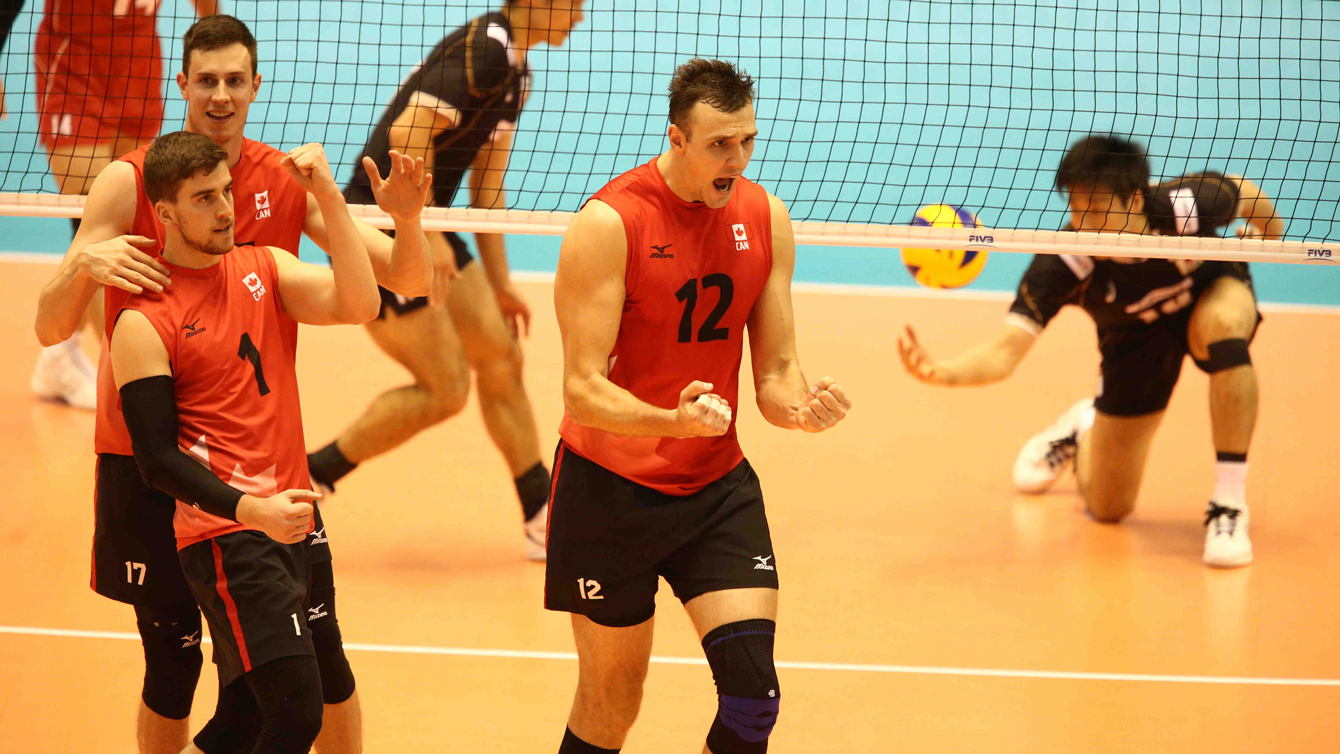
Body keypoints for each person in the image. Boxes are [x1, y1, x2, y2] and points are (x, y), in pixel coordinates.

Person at [32, 15, 431, 754]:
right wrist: (81, 268)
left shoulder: (281, 181)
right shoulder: (130, 181)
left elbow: (402, 277)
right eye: (205, 80)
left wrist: (405, 220)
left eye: (234, 80)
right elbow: (52, 327)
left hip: (255, 453)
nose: (220, 95)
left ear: (255, 86)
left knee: (311, 670)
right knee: (175, 668)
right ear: (180, 85)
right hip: (147, 460)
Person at [547, 58, 851, 754]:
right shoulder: (609, 223)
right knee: (610, 704)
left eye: (747, 140)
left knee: (753, 700)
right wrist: (668, 423)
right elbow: (581, 390)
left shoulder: (763, 216)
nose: (736, 160)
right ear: (677, 139)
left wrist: (799, 408)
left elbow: (775, 371)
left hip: (714, 488)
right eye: (720, 144)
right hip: (608, 492)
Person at [109, 130, 395, 754]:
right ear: (164, 213)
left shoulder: (264, 265)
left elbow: (361, 303)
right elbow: (156, 463)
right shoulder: (142, 320)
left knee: (242, 721)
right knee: (296, 714)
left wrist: (329, 196)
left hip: (290, 519)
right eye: (203, 199)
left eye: (226, 193)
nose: (223, 209)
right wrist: (251, 511)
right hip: (229, 536)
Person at [898, 134, 1285, 568]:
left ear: (1135, 199)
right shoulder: (1067, 261)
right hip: (1134, 340)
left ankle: (1229, 503)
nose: (1084, 222)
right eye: (1076, 209)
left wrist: (1270, 234)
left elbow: (1245, 191)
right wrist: (943, 372)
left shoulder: (1181, 207)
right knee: (1109, 508)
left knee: (1225, 329)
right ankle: (1082, 427)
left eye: (1097, 209)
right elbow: (1007, 351)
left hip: (1209, 294)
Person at [308, 0, 587, 560]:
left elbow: (486, 187)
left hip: (428, 220)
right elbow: (406, 135)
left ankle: (539, 514)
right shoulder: (484, 51)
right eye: (575, 5)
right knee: (446, 389)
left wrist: (501, 282)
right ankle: (312, 474)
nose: (579, 17)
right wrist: (424, 238)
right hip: (380, 230)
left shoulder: (517, 70)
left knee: (501, 353)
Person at [0, 0, 219, 409]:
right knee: (98, 227)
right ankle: (133, 384)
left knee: (135, 225)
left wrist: (212, 31)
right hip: (75, 70)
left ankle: (59, 358)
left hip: (138, 69)